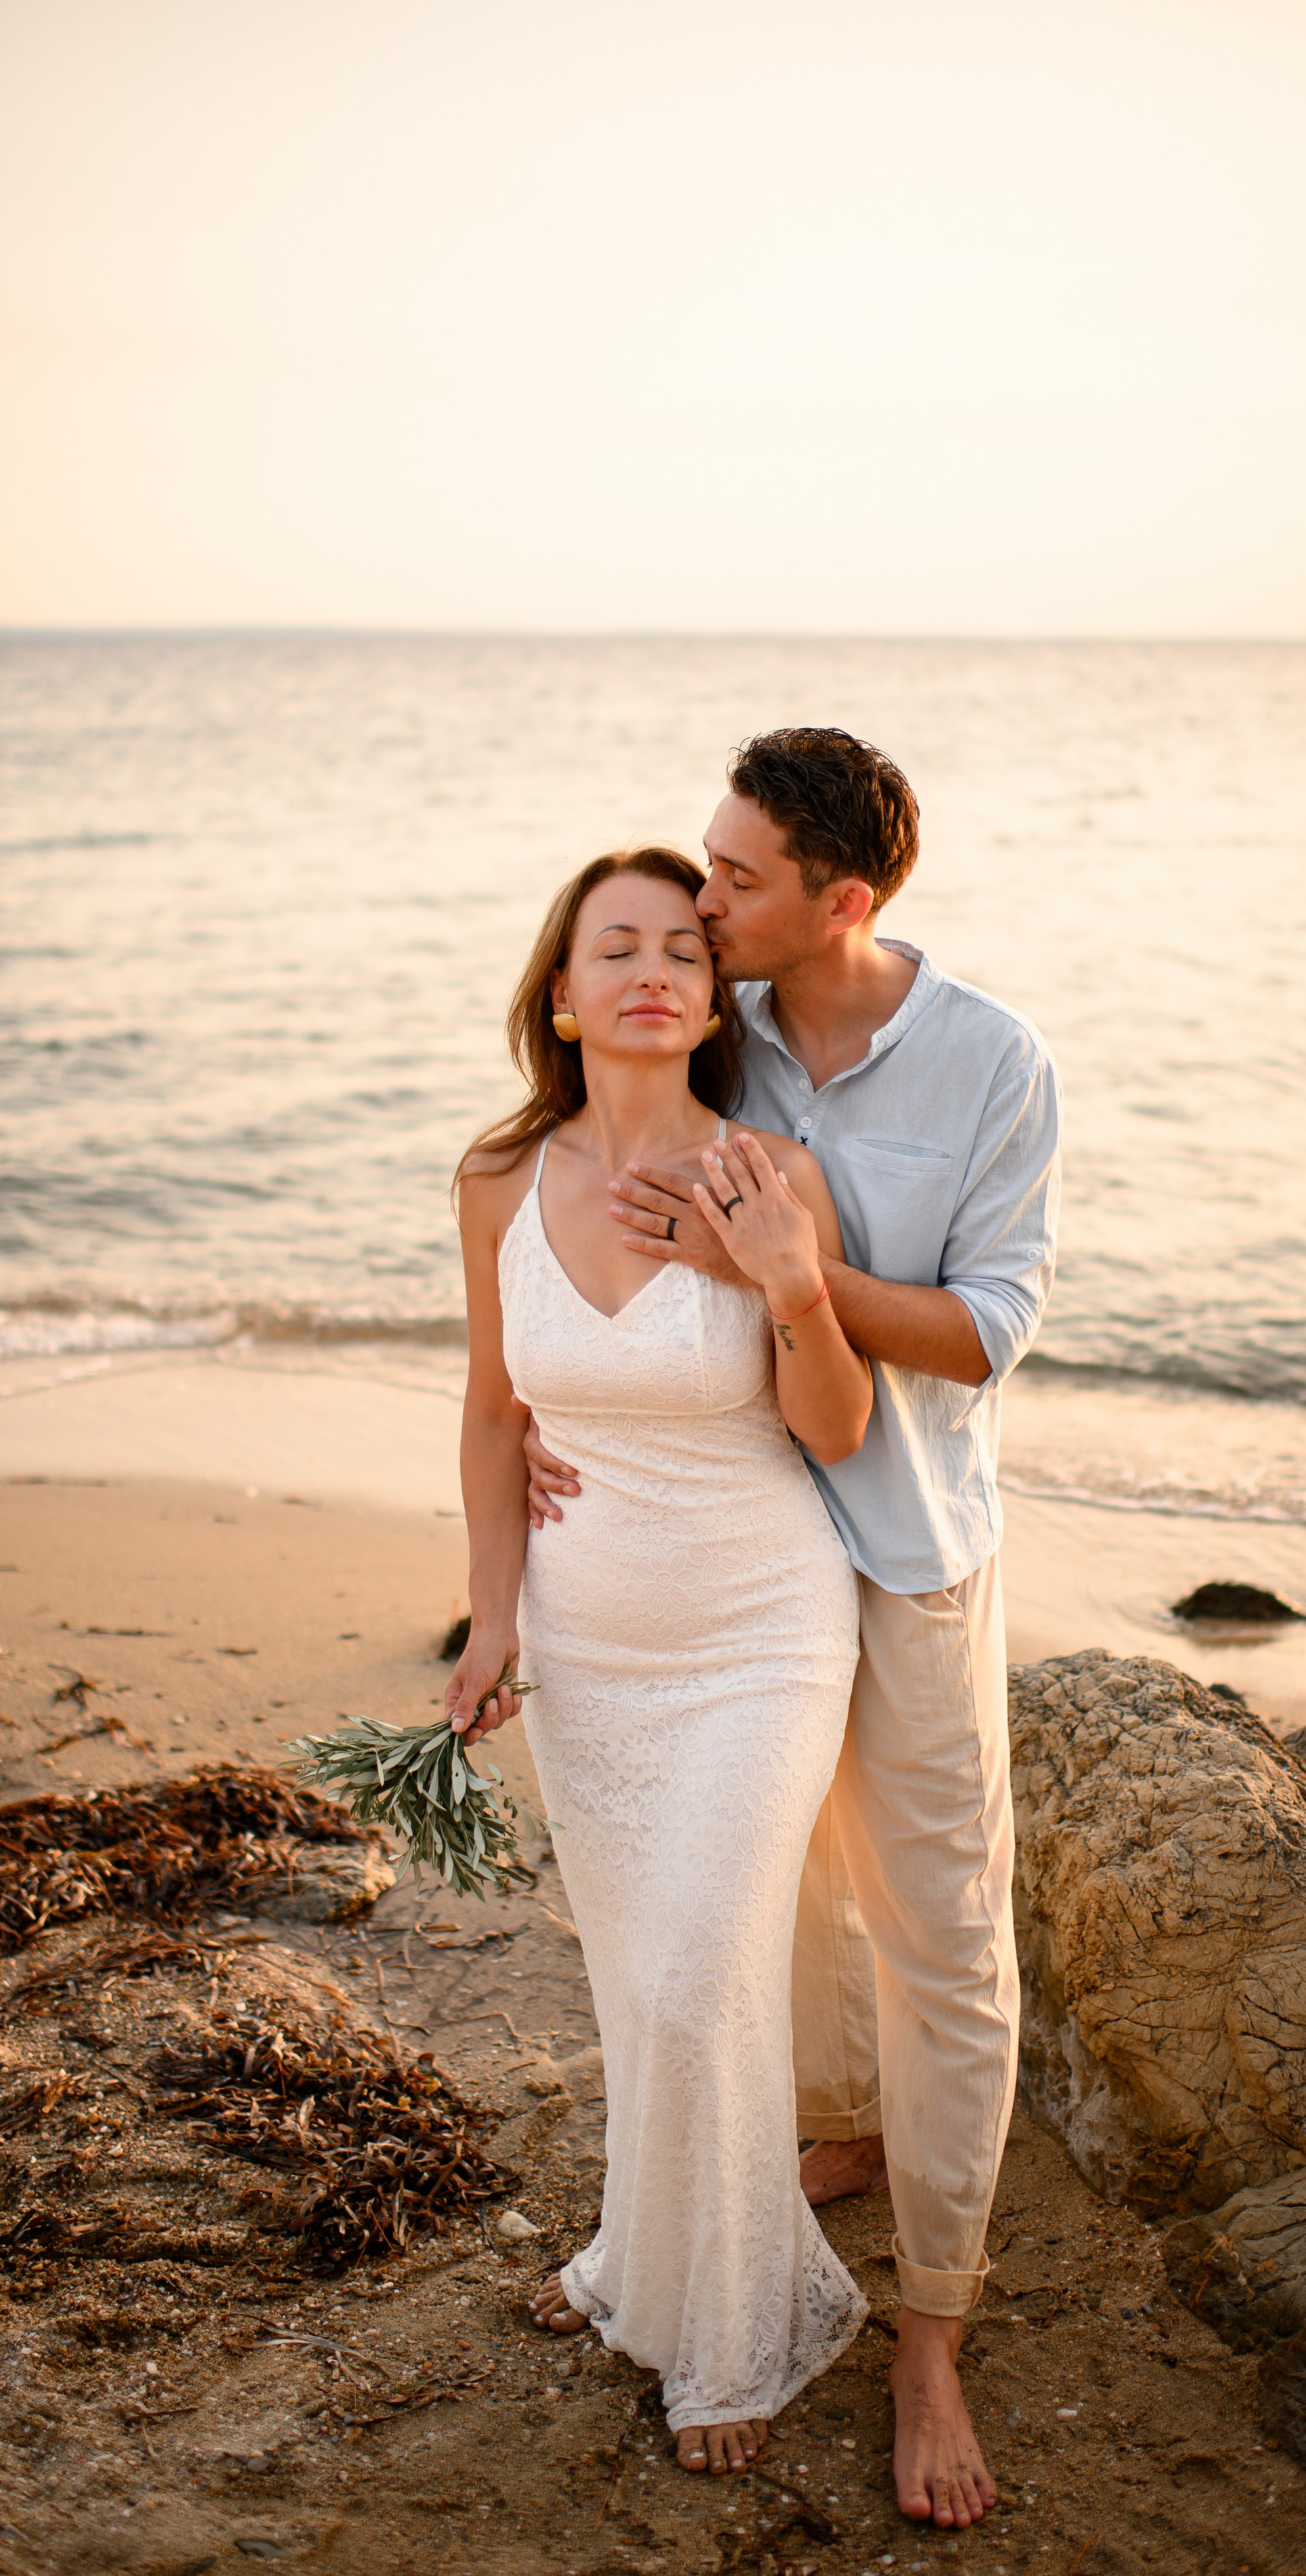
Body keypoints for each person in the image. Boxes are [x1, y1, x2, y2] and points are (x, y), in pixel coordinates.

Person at [522, 729, 1062, 2531]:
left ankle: (930, 2330)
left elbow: (988, 1336)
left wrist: (792, 1279)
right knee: (789, 1914)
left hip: (896, 1546)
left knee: (937, 1935)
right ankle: (821, 2147)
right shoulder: (720, 1021)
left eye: (734, 880)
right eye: (698, 866)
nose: (698, 901)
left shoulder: (989, 1062)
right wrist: (550, 1434)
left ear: (840, 903)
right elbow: (583, 1217)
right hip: (718, 1548)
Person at [446, 844, 878, 2475]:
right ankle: (641, 2262)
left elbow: (830, 1425)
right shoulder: (497, 1178)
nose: (647, 971)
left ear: (711, 1001)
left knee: (703, 1975)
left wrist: (787, 1285)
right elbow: (496, 1412)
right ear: (559, 995)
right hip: (587, 1642)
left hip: (759, 1628)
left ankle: (733, 2336)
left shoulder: (765, 1173)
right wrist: (493, 1616)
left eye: (678, 953)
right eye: (607, 948)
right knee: (638, 1987)